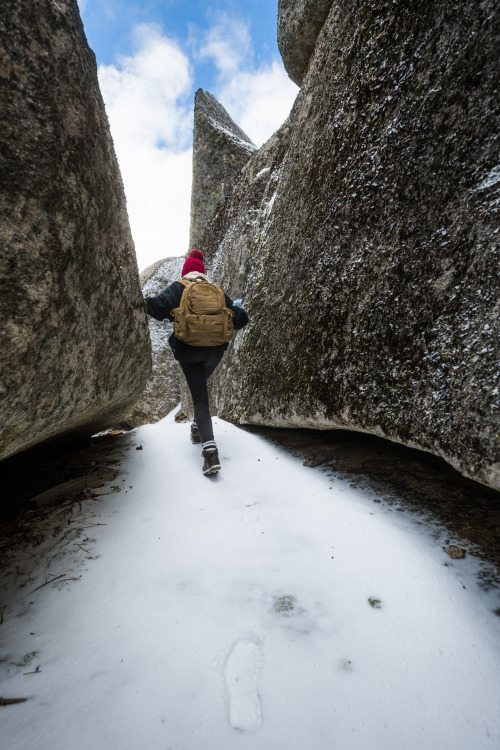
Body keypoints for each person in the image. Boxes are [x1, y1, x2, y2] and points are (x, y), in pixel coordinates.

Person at [144, 249, 249, 476]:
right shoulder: (217, 290)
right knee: (200, 389)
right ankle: (196, 428)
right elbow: (241, 320)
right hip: (214, 351)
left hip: (189, 351)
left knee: (200, 397)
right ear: (203, 272)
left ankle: (210, 454)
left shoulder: (179, 287)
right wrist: (238, 308)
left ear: (185, 272)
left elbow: (157, 307)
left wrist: (140, 301)